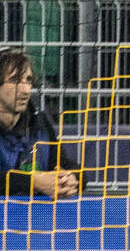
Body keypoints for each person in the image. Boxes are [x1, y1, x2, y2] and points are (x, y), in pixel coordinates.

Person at [0, 48, 78, 195]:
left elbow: (64, 164)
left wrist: (71, 178)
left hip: (37, 215)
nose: (25, 90)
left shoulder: (39, 123)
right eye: (15, 80)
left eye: (28, 80)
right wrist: (32, 182)